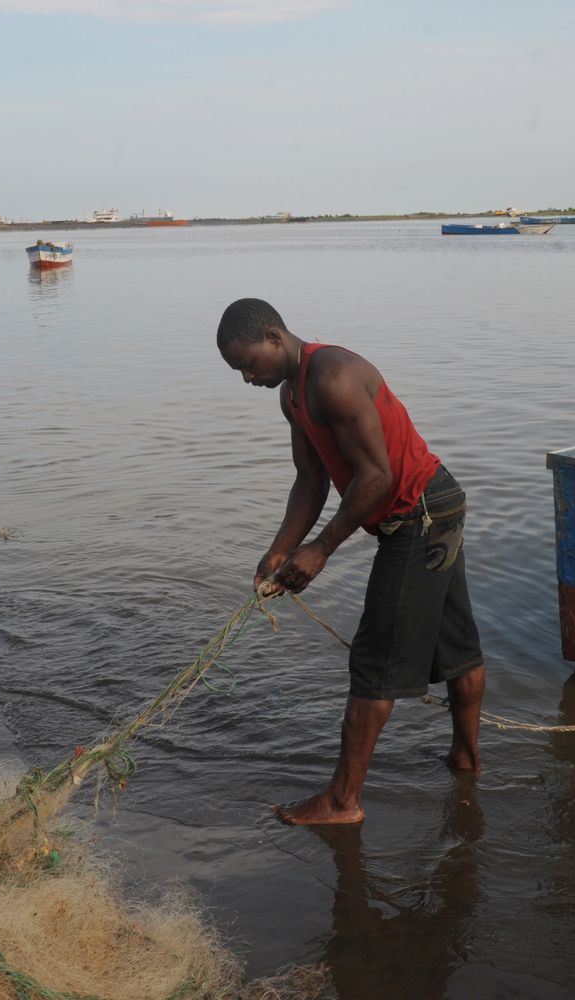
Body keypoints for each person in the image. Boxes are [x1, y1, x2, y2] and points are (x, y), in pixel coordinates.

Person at [216, 298, 486, 826]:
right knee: (455, 645)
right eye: (238, 372)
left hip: (420, 513)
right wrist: (279, 549)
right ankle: (466, 760)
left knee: (374, 658)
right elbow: (310, 479)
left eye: (249, 364)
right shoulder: (293, 394)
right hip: (433, 506)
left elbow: (377, 477)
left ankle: (342, 802)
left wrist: (320, 549)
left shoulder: (332, 377)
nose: (248, 378)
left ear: (274, 337)